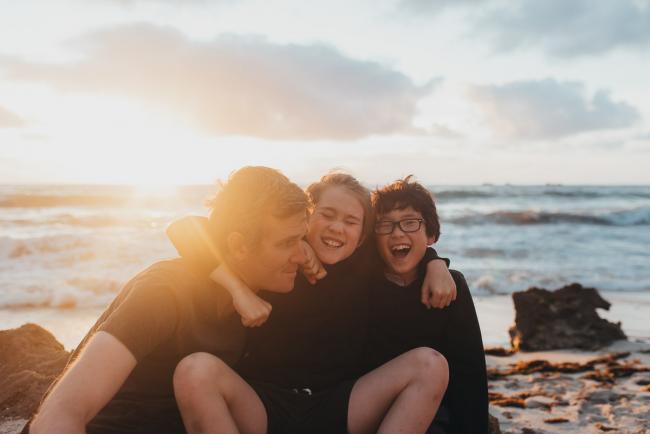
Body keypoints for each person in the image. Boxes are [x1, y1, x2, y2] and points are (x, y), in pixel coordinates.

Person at [25, 166, 312, 434]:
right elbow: (61, 412)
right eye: (287, 243)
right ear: (238, 246)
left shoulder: (264, 290)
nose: (301, 255)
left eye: (303, 239)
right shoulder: (164, 292)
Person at [168, 172, 455, 434]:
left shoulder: (366, 262)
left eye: (350, 221)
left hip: (339, 407)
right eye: (326, 215)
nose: (337, 228)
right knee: (196, 370)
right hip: (264, 405)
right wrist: (238, 290)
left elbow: (404, 248)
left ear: (361, 237)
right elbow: (184, 229)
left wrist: (436, 262)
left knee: (430, 365)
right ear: (305, 218)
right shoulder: (277, 255)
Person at [368, 176, 489, 434]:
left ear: (431, 234)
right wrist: (435, 261)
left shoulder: (450, 286)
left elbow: (469, 370)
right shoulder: (360, 283)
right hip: (371, 407)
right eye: (384, 225)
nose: (397, 232)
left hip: (432, 410)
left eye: (410, 222)